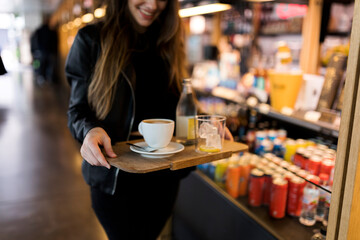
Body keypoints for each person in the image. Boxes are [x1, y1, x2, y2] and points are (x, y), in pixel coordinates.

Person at [65, 0, 235, 239]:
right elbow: (77, 110)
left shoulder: (168, 40)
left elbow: (177, 100)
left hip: (164, 180)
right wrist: (89, 130)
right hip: (118, 182)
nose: (154, 4)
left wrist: (204, 123)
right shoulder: (91, 39)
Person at [31, 15, 58, 85]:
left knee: (42, 65)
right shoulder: (51, 31)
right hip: (49, 51)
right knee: (49, 64)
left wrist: (34, 51)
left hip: (41, 51)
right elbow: (54, 42)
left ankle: (42, 77)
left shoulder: (39, 31)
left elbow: (36, 41)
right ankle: (48, 77)